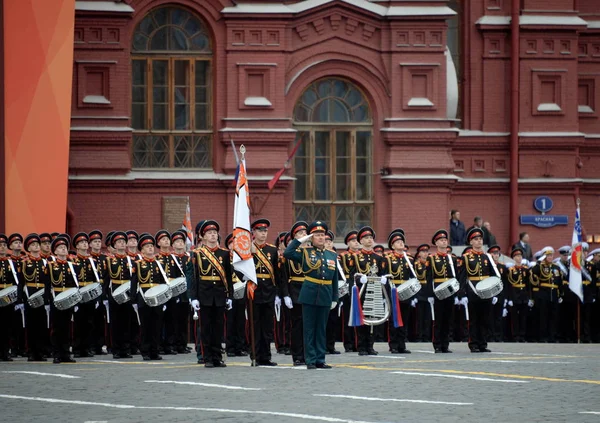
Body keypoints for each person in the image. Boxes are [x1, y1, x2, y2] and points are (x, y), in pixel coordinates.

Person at [284, 221, 339, 369]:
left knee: (321, 328)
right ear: (311, 237)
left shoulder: (332, 255)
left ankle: (320, 359)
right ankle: (310, 359)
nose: (321, 238)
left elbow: (334, 278)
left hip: (326, 294)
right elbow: (287, 253)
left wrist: (335, 297)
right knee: (309, 328)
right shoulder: (305, 252)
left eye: (323, 235)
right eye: (317, 235)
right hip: (309, 293)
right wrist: (300, 240)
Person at [189, 220, 232, 368]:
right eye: (209, 233)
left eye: (215, 233)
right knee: (206, 328)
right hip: (204, 295)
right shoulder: (197, 254)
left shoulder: (225, 254)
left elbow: (228, 275)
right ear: (203, 237)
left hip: (219, 294)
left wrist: (229, 295)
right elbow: (193, 277)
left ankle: (217, 356)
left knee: (219, 328)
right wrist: (193, 297)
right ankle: (206, 357)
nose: (213, 235)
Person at [247, 218, 280, 366]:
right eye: (260, 231)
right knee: (255, 325)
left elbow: (277, 273)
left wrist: (278, 292)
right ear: (253, 232)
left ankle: (266, 356)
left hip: (268, 291)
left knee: (267, 326)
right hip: (253, 290)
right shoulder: (247, 249)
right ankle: (255, 354)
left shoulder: (272, 250)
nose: (263, 234)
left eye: (265, 231)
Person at [350, 226, 386, 356]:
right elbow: (350, 275)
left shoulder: (379, 257)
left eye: (371, 238)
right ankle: (361, 346)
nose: (369, 240)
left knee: (373, 319)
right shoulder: (355, 257)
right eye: (366, 238)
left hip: (375, 291)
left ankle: (370, 345)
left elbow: (383, 273)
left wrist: (383, 280)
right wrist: (360, 278)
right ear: (361, 241)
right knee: (362, 318)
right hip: (362, 291)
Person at [459, 227, 496, 353]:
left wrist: (495, 291)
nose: (479, 241)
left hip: (486, 291)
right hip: (473, 291)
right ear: (471, 242)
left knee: (485, 319)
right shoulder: (466, 257)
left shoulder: (488, 257)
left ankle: (483, 344)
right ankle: (473, 343)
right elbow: (462, 277)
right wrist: (462, 294)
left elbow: (493, 275)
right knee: (474, 319)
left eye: (480, 239)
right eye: (476, 239)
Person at [130, 234, 166, 361]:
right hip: (143, 298)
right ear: (142, 250)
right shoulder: (138, 264)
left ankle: (155, 351)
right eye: (147, 247)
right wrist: (133, 300)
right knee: (145, 326)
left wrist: (164, 299)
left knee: (156, 326)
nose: (150, 248)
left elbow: (163, 282)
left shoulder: (159, 264)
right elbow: (134, 283)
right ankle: (145, 351)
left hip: (157, 298)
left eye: (151, 246)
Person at [46, 236, 80, 363]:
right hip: (56, 299)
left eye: (65, 247)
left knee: (67, 327)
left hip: (69, 299)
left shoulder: (73, 266)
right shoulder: (50, 266)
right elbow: (48, 285)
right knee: (57, 328)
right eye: (60, 248)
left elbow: (77, 284)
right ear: (55, 251)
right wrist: (48, 302)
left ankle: (66, 353)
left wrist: (77, 301)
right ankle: (56, 353)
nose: (63, 250)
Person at [279, 222, 308, 365]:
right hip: (295, 291)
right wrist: (285, 295)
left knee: (309, 326)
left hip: (309, 290)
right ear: (295, 237)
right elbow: (283, 277)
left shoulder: (310, 252)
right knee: (297, 326)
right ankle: (297, 356)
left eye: (305, 233)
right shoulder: (289, 256)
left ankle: (308, 355)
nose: (303, 235)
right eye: (300, 233)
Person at [102, 231, 134, 359]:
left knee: (127, 322)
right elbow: (105, 279)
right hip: (114, 293)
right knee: (116, 323)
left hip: (127, 293)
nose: (121, 244)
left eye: (123, 242)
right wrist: (104, 296)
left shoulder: (131, 260)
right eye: (118, 242)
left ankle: (125, 349)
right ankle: (116, 349)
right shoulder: (109, 260)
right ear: (114, 245)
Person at [427, 229, 458, 353]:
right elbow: (429, 277)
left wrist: (457, 292)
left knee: (448, 319)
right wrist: (430, 294)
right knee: (438, 320)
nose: (444, 242)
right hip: (438, 291)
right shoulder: (432, 259)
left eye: (445, 240)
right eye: (441, 240)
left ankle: (446, 344)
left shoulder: (452, 259)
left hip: (450, 290)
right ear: (436, 243)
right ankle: (438, 344)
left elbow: (455, 276)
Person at [385, 229, 414, 354]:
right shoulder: (388, 259)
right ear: (392, 245)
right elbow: (385, 277)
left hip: (406, 291)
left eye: (402, 241)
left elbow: (413, 276)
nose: (401, 243)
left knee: (405, 319)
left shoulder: (409, 259)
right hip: (394, 291)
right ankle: (394, 345)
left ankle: (402, 344)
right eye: (398, 242)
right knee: (394, 319)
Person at [71, 232, 98, 358]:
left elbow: (96, 279)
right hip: (78, 293)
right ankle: (77, 348)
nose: (85, 244)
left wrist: (96, 296)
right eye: (82, 243)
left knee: (89, 323)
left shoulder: (91, 261)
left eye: (86, 242)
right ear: (77, 246)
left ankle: (86, 348)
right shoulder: (72, 260)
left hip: (90, 294)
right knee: (78, 323)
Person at [530, 246, 561, 343]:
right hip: (544, 294)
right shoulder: (540, 266)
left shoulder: (556, 267)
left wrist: (561, 294)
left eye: (551, 255)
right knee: (543, 316)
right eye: (548, 255)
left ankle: (552, 336)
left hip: (554, 294)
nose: (550, 257)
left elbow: (559, 282)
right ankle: (543, 337)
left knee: (553, 316)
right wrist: (539, 261)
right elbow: (533, 272)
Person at [225, 232, 248, 358]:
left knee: (240, 321)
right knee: (230, 321)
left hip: (242, 290)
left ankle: (240, 346)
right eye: (231, 244)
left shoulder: (242, 259)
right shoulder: (225, 258)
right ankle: (230, 347)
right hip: (230, 292)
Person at [89, 230, 108, 355]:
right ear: (90, 244)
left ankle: (99, 346)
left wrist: (105, 294)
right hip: (90, 293)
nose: (97, 244)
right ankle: (90, 345)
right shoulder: (88, 258)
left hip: (102, 292)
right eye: (94, 242)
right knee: (90, 321)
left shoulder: (105, 258)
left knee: (101, 321)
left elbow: (107, 277)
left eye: (98, 241)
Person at [340, 230, 360, 352]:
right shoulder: (343, 256)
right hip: (348, 286)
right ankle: (348, 344)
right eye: (353, 241)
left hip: (359, 286)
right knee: (348, 317)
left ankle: (358, 343)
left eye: (357, 240)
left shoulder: (362, 256)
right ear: (348, 243)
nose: (356, 243)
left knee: (359, 316)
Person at [0, 234, 19, 361]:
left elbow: (17, 281)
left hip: (8, 296)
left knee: (7, 326)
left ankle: (5, 352)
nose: (2, 247)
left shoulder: (10, 263)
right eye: (0, 245)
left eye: (4, 245)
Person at [506, 247, 530, 342]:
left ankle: (522, 335)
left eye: (520, 256)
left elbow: (528, 284)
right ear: (513, 258)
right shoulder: (510, 270)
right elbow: (508, 285)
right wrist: (510, 298)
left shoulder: (526, 270)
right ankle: (515, 336)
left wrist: (529, 297)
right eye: (517, 256)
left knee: (523, 317)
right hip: (514, 295)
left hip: (523, 295)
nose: (519, 258)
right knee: (515, 317)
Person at [324, 230, 341, 355]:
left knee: (333, 320)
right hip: (323, 290)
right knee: (322, 321)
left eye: (330, 241)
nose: (328, 243)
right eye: (326, 241)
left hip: (333, 290)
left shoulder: (335, 256)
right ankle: (323, 346)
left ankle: (331, 345)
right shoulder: (321, 255)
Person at [413, 243, 432, 342]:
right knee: (419, 317)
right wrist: (414, 295)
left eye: (426, 252)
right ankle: (419, 336)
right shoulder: (416, 265)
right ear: (419, 253)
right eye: (423, 252)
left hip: (428, 291)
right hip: (419, 291)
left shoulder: (430, 264)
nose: (425, 254)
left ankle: (426, 336)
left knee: (428, 316)